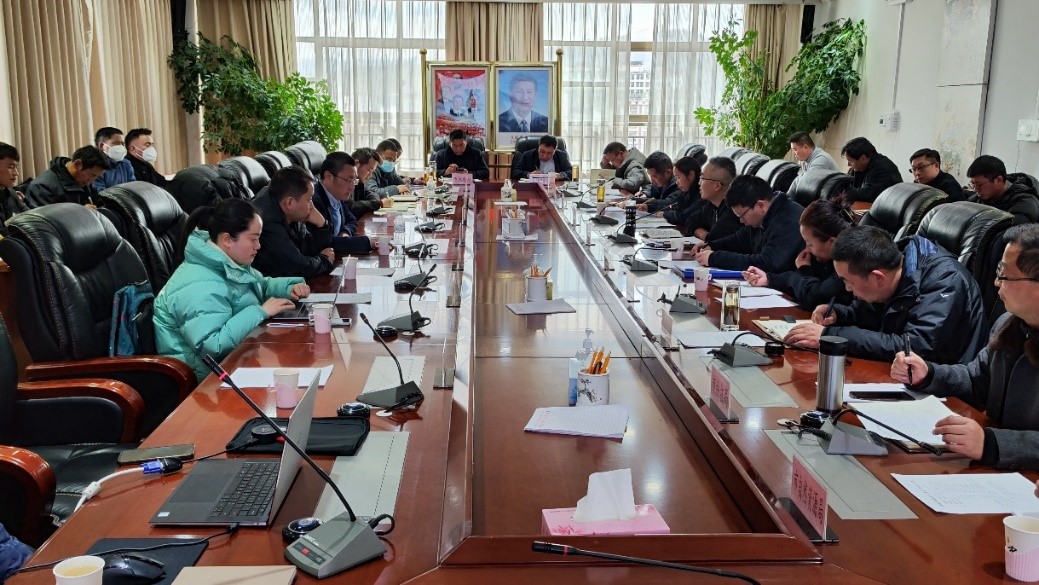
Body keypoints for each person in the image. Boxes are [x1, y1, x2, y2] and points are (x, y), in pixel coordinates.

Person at [891, 224, 1039, 469]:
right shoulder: (1009, 325)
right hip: (995, 469)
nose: (996, 282)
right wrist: (929, 374)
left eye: (1004, 274)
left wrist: (992, 444)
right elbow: (975, 380)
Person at [153, 197, 308, 381]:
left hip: (237, 360)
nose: (258, 246)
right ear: (227, 239)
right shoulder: (199, 283)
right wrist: (260, 311)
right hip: (206, 382)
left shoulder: (228, 261)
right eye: (253, 239)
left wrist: (288, 288)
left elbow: (259, 284)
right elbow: (213, 345)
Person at [785, 225, 986, 364]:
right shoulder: (895, 266)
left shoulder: (945, 280)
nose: (847, 289)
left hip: (947, 391)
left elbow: (914, 346)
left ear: (877, 277)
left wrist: (831, 336)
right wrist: (839, 313)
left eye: (849, 281)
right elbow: (870, 314)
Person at [743, 199, 856, 309]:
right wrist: (768, 279)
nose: (807, 249)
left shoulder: (848, 267)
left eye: (810, 244)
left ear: (831, 242)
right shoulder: (823, 257)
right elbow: (795, 279)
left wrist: (804, 270)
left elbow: (813, 297)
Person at [693, 174, 805, 272]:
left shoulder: (789, 220)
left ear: (760, 206)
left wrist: (714, 258)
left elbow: (767, 263)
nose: (741, 221)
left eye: (742, 216)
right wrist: (712, 245)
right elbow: (740, 239)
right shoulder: (763, 216)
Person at [251, 165, 335, 278]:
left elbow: (308, 248)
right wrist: (324, 260)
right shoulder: (267, 221)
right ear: (290, 203)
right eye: (309, 199)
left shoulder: (289, 210)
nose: (312, 206)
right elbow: (296, 267)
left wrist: (323, 224)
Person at [312, 151, 372, 254]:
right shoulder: (313, 201)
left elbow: (351, 220)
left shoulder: (336, 195)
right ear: (328, 176)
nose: (352, 187)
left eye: (354, 181)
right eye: (349, 180)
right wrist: (368, 243)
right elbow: (324, 242)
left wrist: (345, 232)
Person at [25, 145, 109, 207]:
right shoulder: (42, 187)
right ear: (77, 164)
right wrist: (81, 212)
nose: (92, 180)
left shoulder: (83, 180)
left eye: (96, 177)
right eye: (92, 175)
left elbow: (99, 203)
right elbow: (45, 221)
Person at [966, 155, 1039, 225]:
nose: (976, 189)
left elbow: (1007, 230)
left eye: (979, 185)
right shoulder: (981, 197)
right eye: (973, 184)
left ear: (998, 180)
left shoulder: (1025, 202)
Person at [683, 156, 739, 243]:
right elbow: (689, 221)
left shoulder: (732, 212)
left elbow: (713, 240)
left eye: (702, 179)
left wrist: (706, 236)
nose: (699, 183)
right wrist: (702, 234)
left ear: (716, 186)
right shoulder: (712, 205)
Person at [839, 137, 903, 203]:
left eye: (851, 161)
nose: (848, 164)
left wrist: (844, 191)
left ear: (863, 158)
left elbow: (868, 195)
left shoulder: (882, 167)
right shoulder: (861, 166)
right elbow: (849, 186)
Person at [346, 147, 394, 220]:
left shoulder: (358, 181)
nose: (370, 175)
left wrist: (376, 203)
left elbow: (372, 195)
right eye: (369, 170)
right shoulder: (344, 181)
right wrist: (379, 203)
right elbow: (351, 207)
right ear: (356, 164)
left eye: (372, 171)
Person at [659, 156, 701, 229]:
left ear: (691, 175)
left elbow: (683, 217)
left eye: (678, 177)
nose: (676, 182)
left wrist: (665, 214)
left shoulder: (701, 194)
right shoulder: (686, 192)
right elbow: (674, 207)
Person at [92, 126, 135, 191]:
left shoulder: (126, 164)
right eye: (116, 143)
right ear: (102, 146)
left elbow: (133, 188)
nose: (121, 147)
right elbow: (99, 191)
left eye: (122, 144)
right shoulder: (95, 166)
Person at [0, 143, 28, 236]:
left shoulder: (11, 193)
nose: (16, 173)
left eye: (16, 167)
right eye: (11, 167)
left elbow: (30, 217)